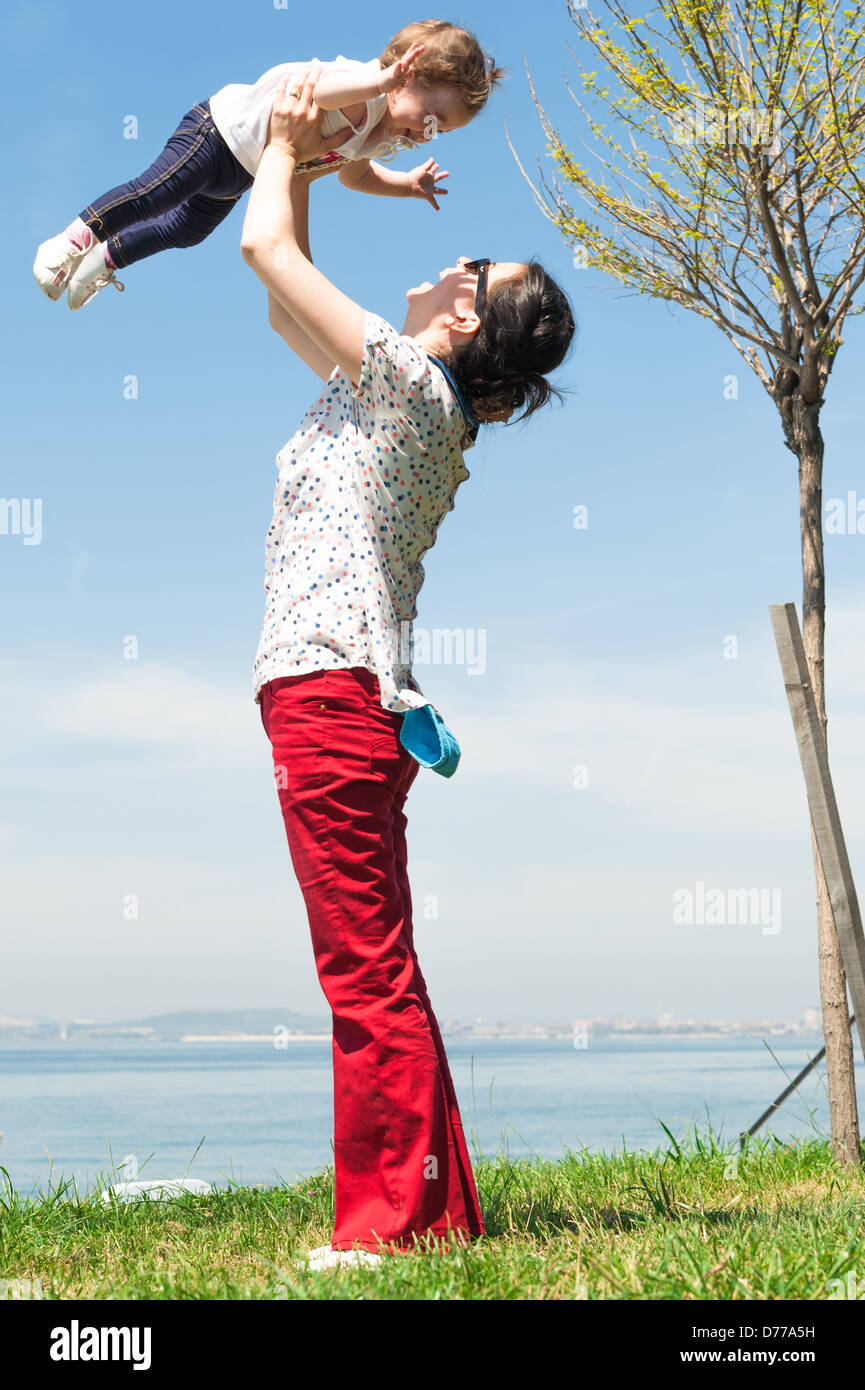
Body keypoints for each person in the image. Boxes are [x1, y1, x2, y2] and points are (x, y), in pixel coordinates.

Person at [241, 69, 575, 1269]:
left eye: (470, 270)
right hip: (343, 698)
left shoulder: (404, 381)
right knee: (375, 959)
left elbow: (263, 250)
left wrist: (285, 141)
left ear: (465, 319)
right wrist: (312, 165)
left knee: (363, 967)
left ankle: (390, 1226)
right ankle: (430, 1208)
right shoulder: (406, 392)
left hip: (330, 694)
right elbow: (287, 299)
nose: (450, 262)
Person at [32, 19, 503, 312]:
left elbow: (352, 175)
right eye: (431, 119)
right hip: (217, 133)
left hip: (241, 174)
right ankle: (73, 238)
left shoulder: (378, 137)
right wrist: (378, 81)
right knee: (158, 192)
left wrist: (405, 184)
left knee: (187, 230)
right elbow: (316, 94)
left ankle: (104, 258)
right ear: (407, 75)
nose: (425, 134)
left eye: (438, 133)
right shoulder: (362, 88)